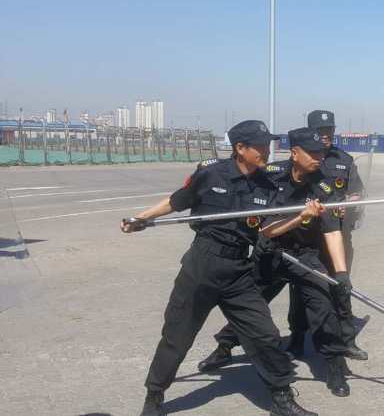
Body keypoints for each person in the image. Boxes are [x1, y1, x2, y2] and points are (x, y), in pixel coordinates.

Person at [121, 120, 318, 416]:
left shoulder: (266, 185)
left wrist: (301, 217)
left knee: (264, 334)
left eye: (268, 145)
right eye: (260, 146)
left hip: (238, 269)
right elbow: (177, 201)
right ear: (240, 148)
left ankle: (281, 397)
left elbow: (267, 230)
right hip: (202, 264)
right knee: (177, 335)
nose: (267, 151)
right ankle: (154, 395)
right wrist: (142, 218)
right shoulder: (210, 173)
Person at [197, 127, 353, 397]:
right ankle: (224, 347)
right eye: (313, 153)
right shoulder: (270, 175)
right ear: (295, 153)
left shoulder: (324, 186)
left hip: (305, 255)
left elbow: (332, 231)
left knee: (323, 306)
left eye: (321, 152)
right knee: (250, 306)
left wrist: (340, 273)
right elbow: (242, 187)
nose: (319, 157)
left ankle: (335, 365)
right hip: (270, 252)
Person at [285, 110, 368, 361]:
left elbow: (357, 191)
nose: (326, 135)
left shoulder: (344, 160)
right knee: (301, 289)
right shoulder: (300, 158)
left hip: (338, 235)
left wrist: (348, 202)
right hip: (307, 239)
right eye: (320, 131)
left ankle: (346, 341)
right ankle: (297, 339)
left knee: (341, 287)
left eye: (329, 130)